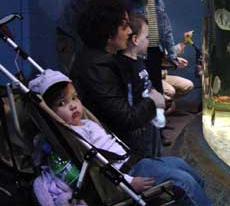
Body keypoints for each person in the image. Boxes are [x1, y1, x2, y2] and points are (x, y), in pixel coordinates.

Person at [28, 69, 212, 206]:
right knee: (183, 181)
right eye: (62, 103)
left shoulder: (86, 123)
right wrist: (128, 182)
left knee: (184, 166)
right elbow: (96, 167)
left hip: (135, 162)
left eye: (74, 98)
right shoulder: (72, 136)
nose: (73, 106)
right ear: (50, 113)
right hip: (126, 175)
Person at [70, 0, 164, 158]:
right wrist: (153, 101)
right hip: (118, 155)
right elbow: (126, 119)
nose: (129, 31)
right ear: (107, 33)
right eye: (124, 26)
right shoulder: (98, 68)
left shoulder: (101, 59)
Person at [123, 0, 188, 93]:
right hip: (137, 52)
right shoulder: (127, 3)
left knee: (157, 88)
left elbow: (166, 30)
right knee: (141, 87)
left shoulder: (157, 2)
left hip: (154, 51)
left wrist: (172, 55)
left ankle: (158, 111)